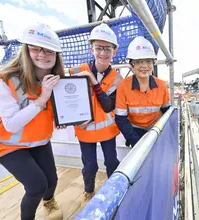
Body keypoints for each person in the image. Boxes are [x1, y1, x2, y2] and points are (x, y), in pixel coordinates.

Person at [0, 23, 65, 220]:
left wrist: (61, 118)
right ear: (26, 50)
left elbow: (51, 110)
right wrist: (43, 98)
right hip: (7, 144)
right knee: (36, 186)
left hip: (37, 139)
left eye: (48, 50)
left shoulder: (57, 79)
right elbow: (11, 125)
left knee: (51, 181)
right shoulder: (6, 80)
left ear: (56, 55)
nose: (42, 55)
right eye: (36, 49)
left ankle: (49, 201)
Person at [68, 23, 121, 207]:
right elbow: (63, 98)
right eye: (99, 48)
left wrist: (92, 80)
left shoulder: (116, 78)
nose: (103, 53)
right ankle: (88, 191)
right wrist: (70, 120)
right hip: (85, 130)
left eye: (108, 48)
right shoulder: (74, 72)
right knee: (90, 166)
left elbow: (108, 106)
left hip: (107, 130)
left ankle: (114, 190)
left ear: (114, 51)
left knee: (112, 162)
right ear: (92, 49)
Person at [115, 36, 171, 147]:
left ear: (153, 63)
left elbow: (167, 112)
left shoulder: (162, 85)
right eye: (139, 61)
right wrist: (134, 140)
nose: (144, 66)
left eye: (148, 61)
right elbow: (121, 118)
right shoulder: (123, 86)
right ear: (132, 64)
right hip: (136, 129)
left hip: (156, 128)